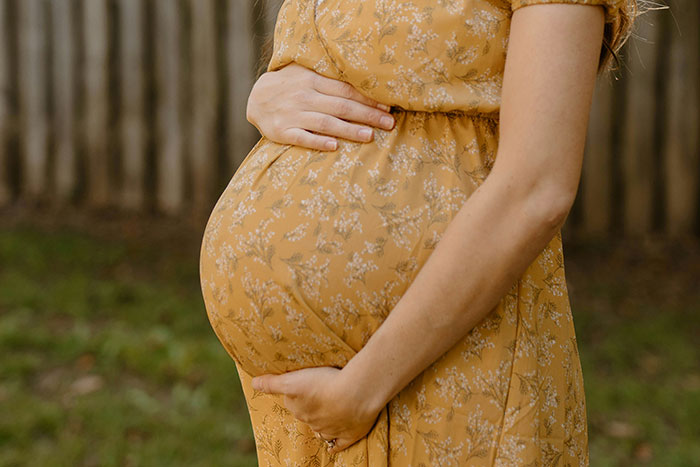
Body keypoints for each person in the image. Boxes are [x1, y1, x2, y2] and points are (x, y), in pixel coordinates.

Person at [199, 0, 640, 464]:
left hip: (443, 363)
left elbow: (537, 189)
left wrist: (360, 390)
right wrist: (267, 92)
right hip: (302, 409)